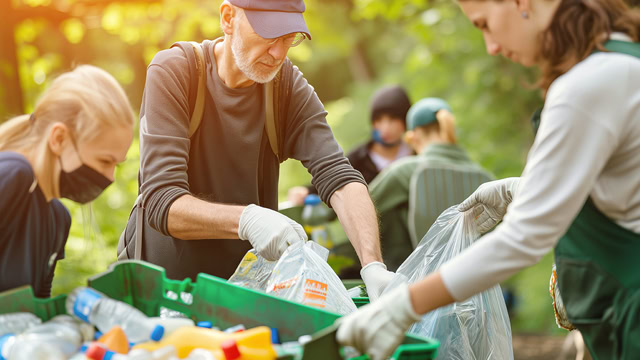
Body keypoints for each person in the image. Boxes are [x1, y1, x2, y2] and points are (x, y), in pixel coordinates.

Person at [337, 0, 640, 359]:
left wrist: (403, 306)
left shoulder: (586, 85)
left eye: (484, 24)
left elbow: (523, 238)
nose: (491, 47)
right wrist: (520, 189)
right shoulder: (617, 60)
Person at [119, 0, 395, 300]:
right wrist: (248, 220)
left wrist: (373, 265)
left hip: (246, 300)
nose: (279, 53)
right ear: (228, 18)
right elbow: (162, 201)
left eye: (289, 38)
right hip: (164, 297)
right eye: (269, 35)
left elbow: (340, 178)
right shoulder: (176, 71)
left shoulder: (285, 88)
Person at [0, 65, 135, 297]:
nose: (110, 177)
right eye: (104, 161)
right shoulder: (13, 175)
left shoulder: (57, 219)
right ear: (59, 138)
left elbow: (36, 310)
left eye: (117, 165)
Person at [369, 97, 491, 270]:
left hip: (425, 284)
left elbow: (362, 207)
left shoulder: (404, 172)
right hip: (481, 281)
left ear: (414, 137)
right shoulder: (485, 177)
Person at [286, 85, 412, 205]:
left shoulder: (415, 151)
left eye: (392, 120)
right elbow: (333, 179)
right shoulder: (359, 159)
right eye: (379, 120)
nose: (385, 128)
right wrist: (305, 191)